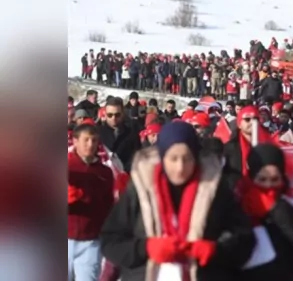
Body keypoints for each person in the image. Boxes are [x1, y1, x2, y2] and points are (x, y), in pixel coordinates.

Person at [100, 121, 254, 281]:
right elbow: (110, 241)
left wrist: (216, 250)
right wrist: (146, 248)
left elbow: (244, 239)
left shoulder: (215, 189)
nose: (180, 167)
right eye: (173, 159)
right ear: (162, 156)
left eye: (187, 159)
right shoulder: (141, 189)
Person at [238, 144, 293, 281]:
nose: (268, 185)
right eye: (262, 179)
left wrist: (276, 209)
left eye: (274, 179)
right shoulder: (237, 204)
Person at [68, 123, 115, 281]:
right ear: (75, 141)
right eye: (86, 140)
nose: (90, 144)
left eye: (94, 140)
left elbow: (108, 204)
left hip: (91, 240)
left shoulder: (105, 172)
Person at [98, 96, 142, 173]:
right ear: (105, 115)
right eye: (110, 115)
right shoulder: (97, 132)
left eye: (117, 115)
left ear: (123, 114)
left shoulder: (132, 133)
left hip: (125, 176)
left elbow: (137, 156)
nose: (113, 118)